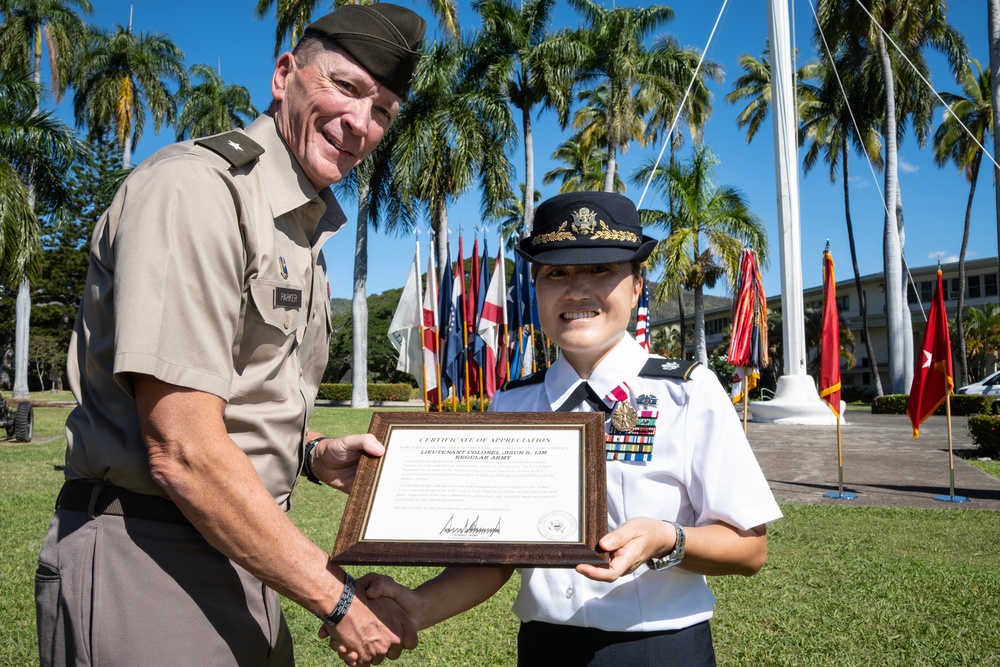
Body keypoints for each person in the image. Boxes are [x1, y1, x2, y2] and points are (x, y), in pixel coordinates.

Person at [34, 5, 426, 666]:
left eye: (384, 110)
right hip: (150, 553)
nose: (362, 123)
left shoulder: (300, 230)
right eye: (347, 89)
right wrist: (336, 598)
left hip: (248, 552)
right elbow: (181, 446)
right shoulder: (198, 190)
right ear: (284, 75)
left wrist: (311, 452)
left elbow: (232, 392)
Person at [355, 191, 783, 666]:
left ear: (638, 285)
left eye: (601, 269)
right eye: (556, 273)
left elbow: (750, 548)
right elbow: (500, 554)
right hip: (544, 648)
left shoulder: (687, 393)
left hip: (658, 650)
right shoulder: (513, 403)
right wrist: (416, 608)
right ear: (535, 288)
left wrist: (668, 539)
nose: (578, 290)